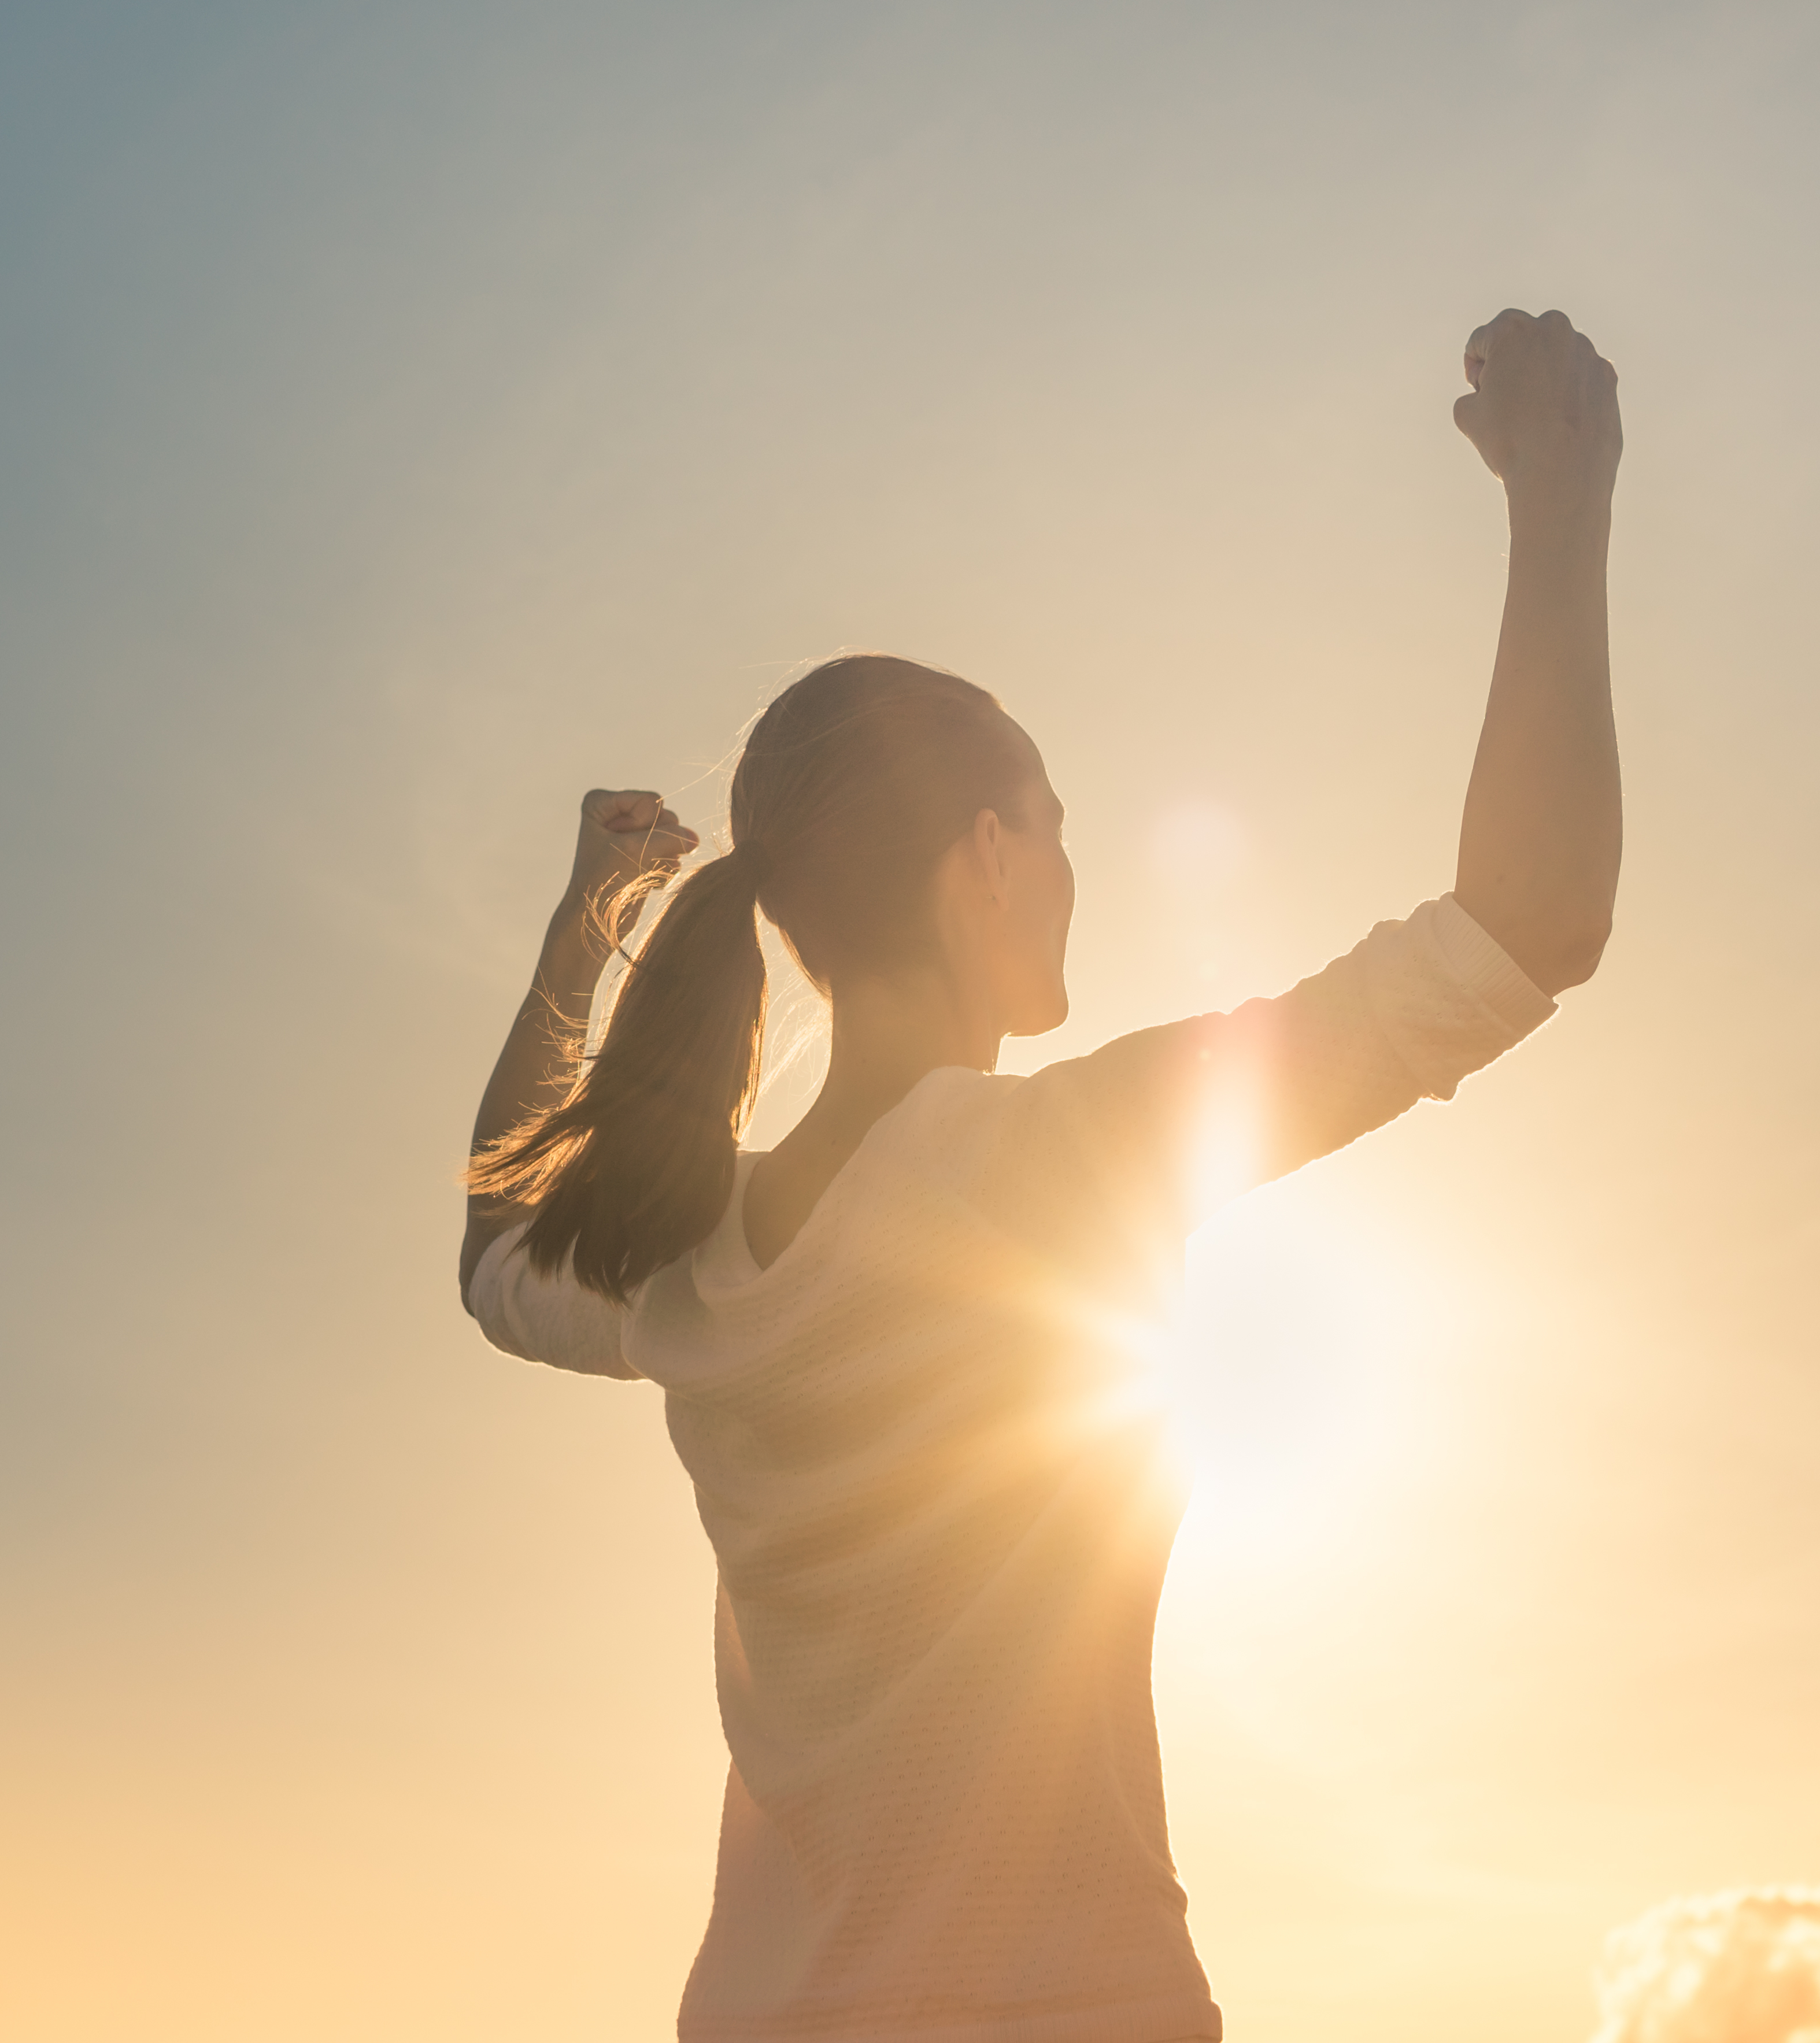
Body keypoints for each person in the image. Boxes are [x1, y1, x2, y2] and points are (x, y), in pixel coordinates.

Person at [457, 309, 1621, 2043]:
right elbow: (1527, 926)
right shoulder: (1056, 1163)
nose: (1072, 867)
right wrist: (1567, 500)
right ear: (988, 860)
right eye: (1057, 823)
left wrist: (588, 926)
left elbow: (490, 1252)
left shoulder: (676, 1262)